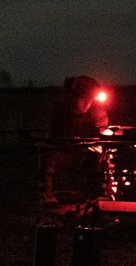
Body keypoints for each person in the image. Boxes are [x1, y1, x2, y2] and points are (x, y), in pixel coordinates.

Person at [40, 76, 109, 206]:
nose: (87, 103)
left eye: (90, 99)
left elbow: (102, 131)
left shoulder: (97, 111)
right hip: (63, 150)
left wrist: (97, 140)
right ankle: (47, 193)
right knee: (48, 154)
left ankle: (98, 192)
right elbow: (53, 135)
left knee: (103, 155)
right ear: (74, 97)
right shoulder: (61, 111)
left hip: (87, 150)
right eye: (83, 98)